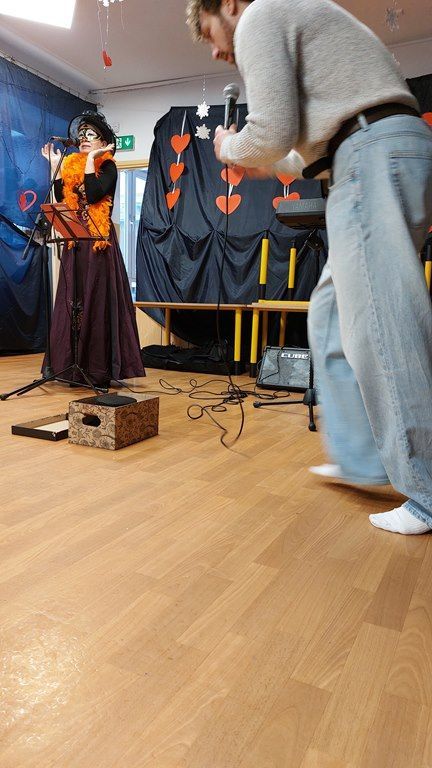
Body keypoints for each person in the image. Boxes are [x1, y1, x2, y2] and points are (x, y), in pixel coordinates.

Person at [186, 0, 432, 534]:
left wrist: (231, 147)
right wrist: (264, 159)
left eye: (210, 32)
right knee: (329, 314)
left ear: (227, 6)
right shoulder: (294, 17)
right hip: (375, 147)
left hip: (368, 154)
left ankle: (427, 491)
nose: (216, 50)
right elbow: (301, 145)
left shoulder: (259, 15)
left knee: (384, 325)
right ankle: (362, 458)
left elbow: (270, 131)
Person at [41, 110, 145, 388]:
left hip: (98, 243)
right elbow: (63, 199)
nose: (84, 138)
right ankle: (71, 366)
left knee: (95, 301)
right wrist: (56, 167)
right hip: (76, 242)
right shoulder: (72, 166)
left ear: (103, 142)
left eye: (91, 135)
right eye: (82, 135)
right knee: (72, 300)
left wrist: (90, 160)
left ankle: (97, 369)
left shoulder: (108, 167)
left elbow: (96, 193)